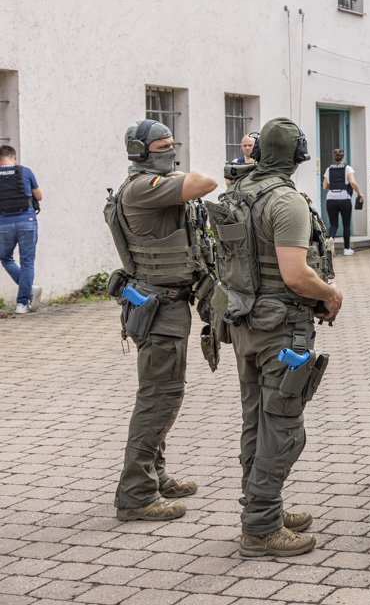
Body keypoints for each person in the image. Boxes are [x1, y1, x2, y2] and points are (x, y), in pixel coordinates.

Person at [219, 118, 341, 557]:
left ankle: (262, 507)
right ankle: (260, 527)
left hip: (245, 324)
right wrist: (330, 294)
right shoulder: (285, 201)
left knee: (257, 420)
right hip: (283, 329)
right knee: (284, 427)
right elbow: (295, 275)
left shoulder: (237, 193)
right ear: (298, 153)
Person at [107, 120, 217, 521]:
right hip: (160, 311)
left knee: (163, 396)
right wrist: (172, 173)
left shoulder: (148, 185)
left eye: (173, 145)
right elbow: (205, 183)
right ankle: (136, 494)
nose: (171, 152)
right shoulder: (142, 188)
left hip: (165, 306)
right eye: (163, 148)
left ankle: (154, 474)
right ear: (141, 154)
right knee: (158, 399)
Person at [0, 145, 42, 314]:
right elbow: (39, 196)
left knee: (5, 258)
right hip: (27, 222)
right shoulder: (25, 172)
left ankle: (30, 290)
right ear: (14, 157)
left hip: (3, 224)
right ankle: (22, 304)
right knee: (27, 262)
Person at [322, 149, 362, 255]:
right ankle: (346, 249)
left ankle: (330, 238)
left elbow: (325, 186)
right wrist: (359, 193)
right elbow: (352, 183)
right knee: (346, 224)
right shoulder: (347, 168)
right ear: (343, 158)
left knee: (333, 223)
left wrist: (334, 185)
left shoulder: (329, 169)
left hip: (331, 198)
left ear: (334, 158)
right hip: (344, 198)